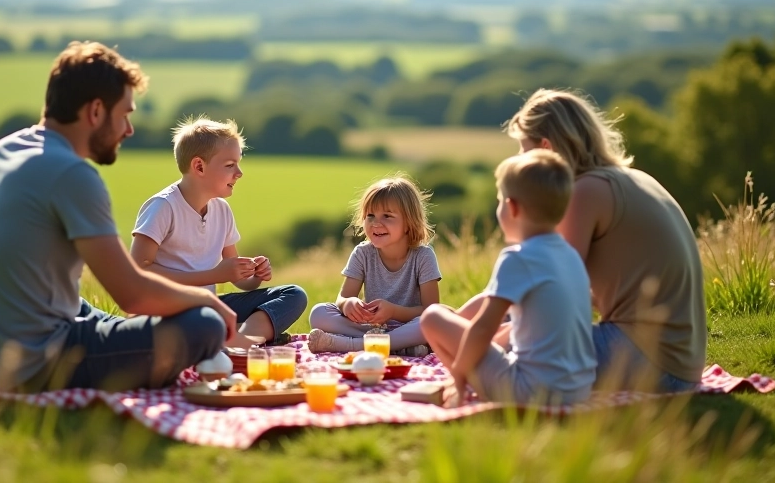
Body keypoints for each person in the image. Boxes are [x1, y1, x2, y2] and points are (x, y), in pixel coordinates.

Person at [0, 41, 237, 393]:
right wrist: (206, 299)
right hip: (28, 366)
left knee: (84, 308)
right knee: (204, 325)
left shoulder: (7, 148)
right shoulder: (72, 174)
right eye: (125, 114)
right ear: (96, 111)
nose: (129, 129)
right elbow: (132, 294)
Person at [505, 89, 706, 392]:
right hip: (681, 363)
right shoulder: (632, 178)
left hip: (651, 363)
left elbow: (553, 291)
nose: (520, 160)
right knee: (506, 333)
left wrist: (491, 333)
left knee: (499, 352)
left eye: (524, 150)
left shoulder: (585, 192)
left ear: (546, 148)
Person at [420, 150, 596, 405]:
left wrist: (458, 372)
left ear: (512, 207)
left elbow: (483, 328)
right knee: (508, 330)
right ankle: (470, 379)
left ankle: (461, 384)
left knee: (433, 317)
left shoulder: (518, 257)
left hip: (531, 393)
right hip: (578, 390)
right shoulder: (570, 255)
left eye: (500, 201)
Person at [130, 117, 307, 349]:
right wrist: (213, 275)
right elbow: (138, 271)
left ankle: (238, 342)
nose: (239, 173)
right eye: (230, 165)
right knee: (196, 321)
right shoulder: (163, 206)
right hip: (167, 310)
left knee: (294, 295)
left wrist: (254, 275)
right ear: (199, 167)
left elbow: (238, 280)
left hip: (208, 308)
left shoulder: (222, 210)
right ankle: (235, 339)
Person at [307, 175, 440, 357]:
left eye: (387, 216)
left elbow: (431, 310)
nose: (376, 223)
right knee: (319, 313)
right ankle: (399, 347)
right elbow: (343, 297)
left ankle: (353, 345)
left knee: (432, 321)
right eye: (370, 215)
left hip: (408, 326)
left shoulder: (423, 256)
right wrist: (348, 304)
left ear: (409, 223)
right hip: (369, 327)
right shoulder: (362, 253)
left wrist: (393, 311)